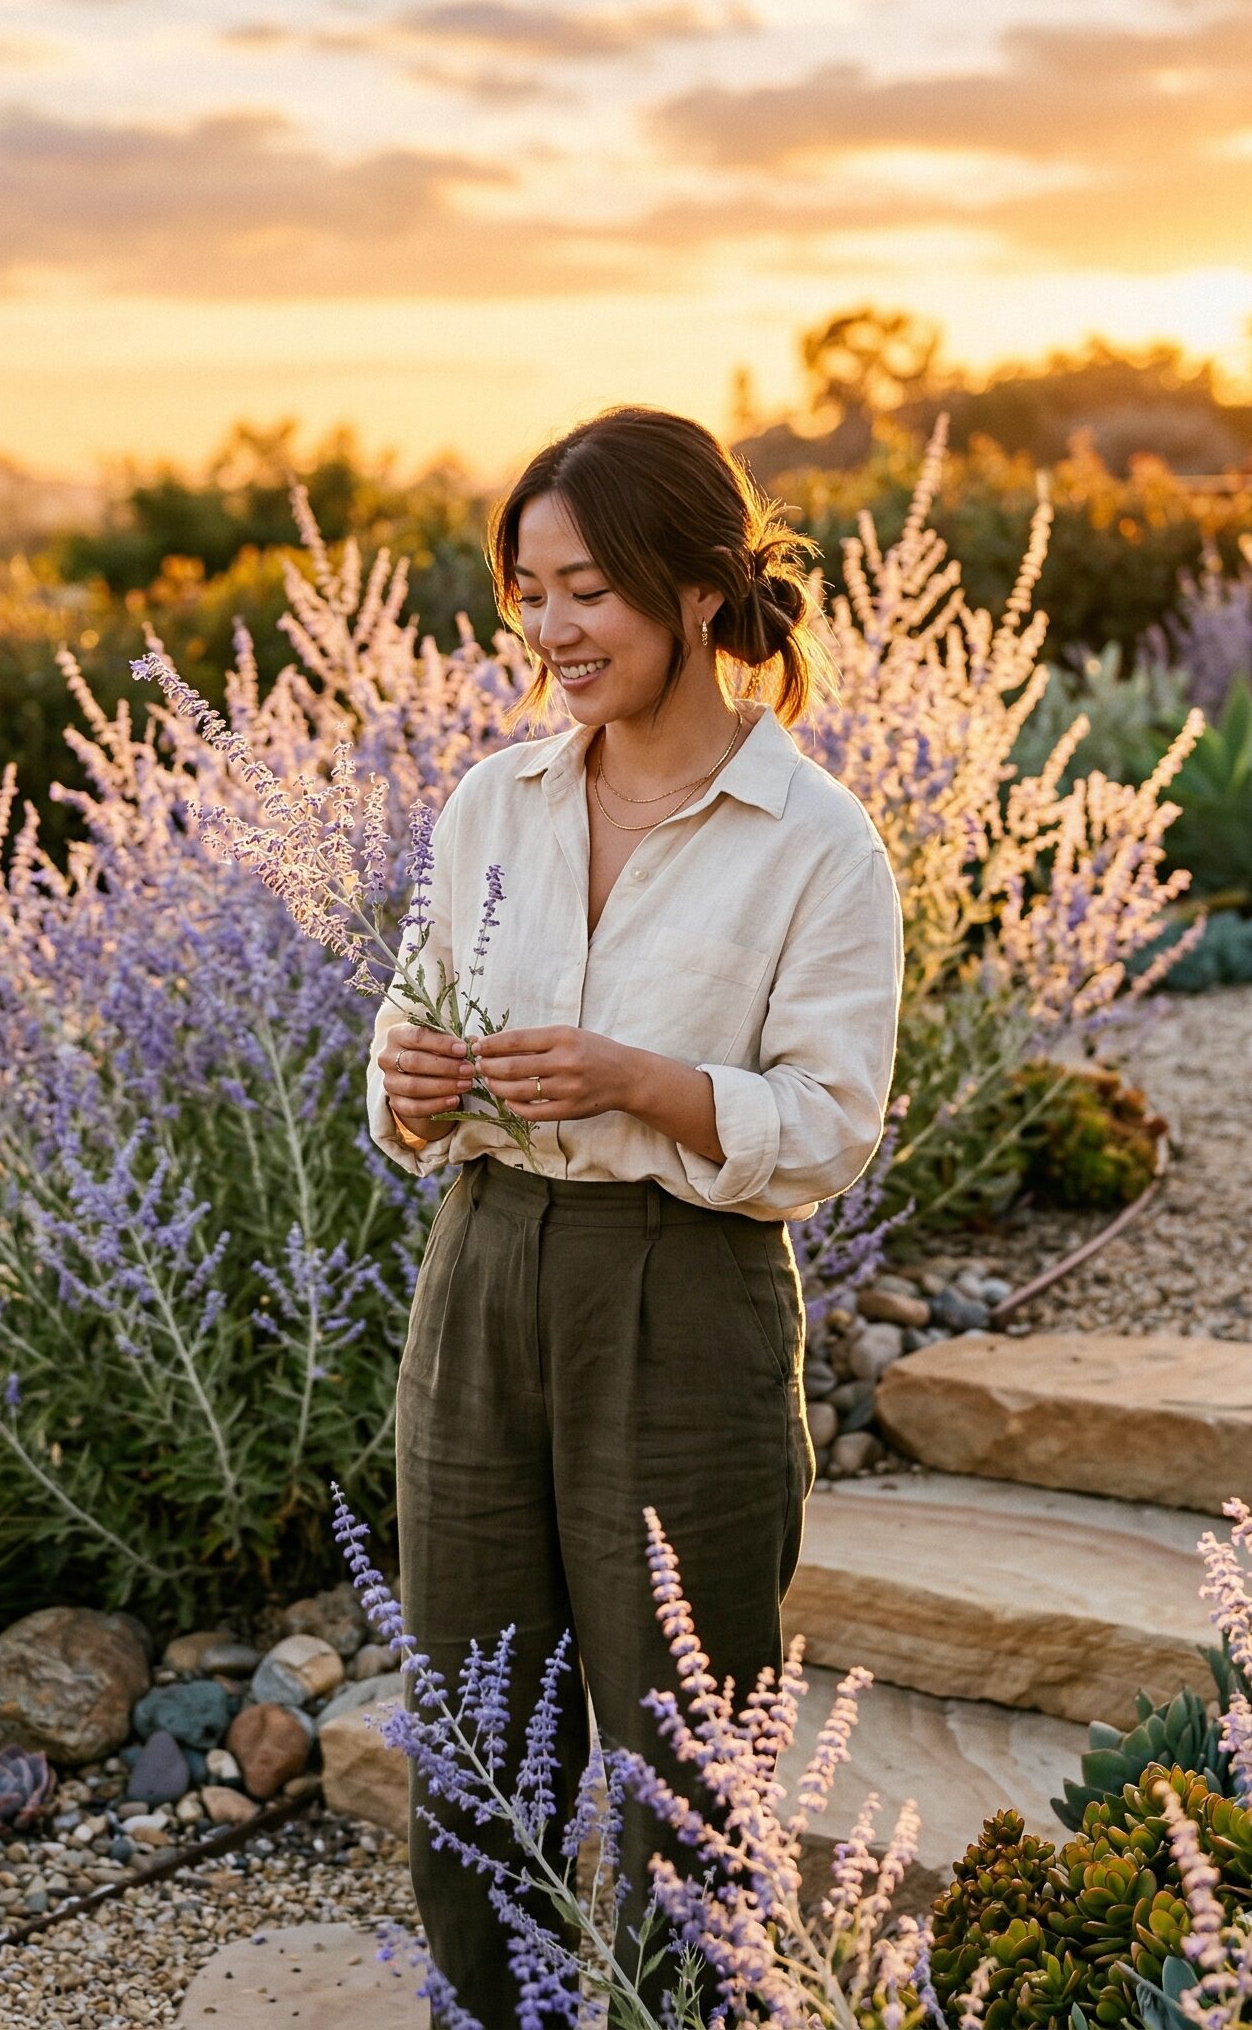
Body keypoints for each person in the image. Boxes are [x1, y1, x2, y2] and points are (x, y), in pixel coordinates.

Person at [366, 404, 905, 2025]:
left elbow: (829, 1130)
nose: (550, 631)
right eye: (528, 592)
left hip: (687, 1294)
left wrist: (637, 1079)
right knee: (474, 1733)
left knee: (686, 1758)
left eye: (586, 589)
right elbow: (414, 1030)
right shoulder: (491, 809)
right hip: (480, 1276)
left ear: (695, 588)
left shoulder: (816, 844)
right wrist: (403, 1085)